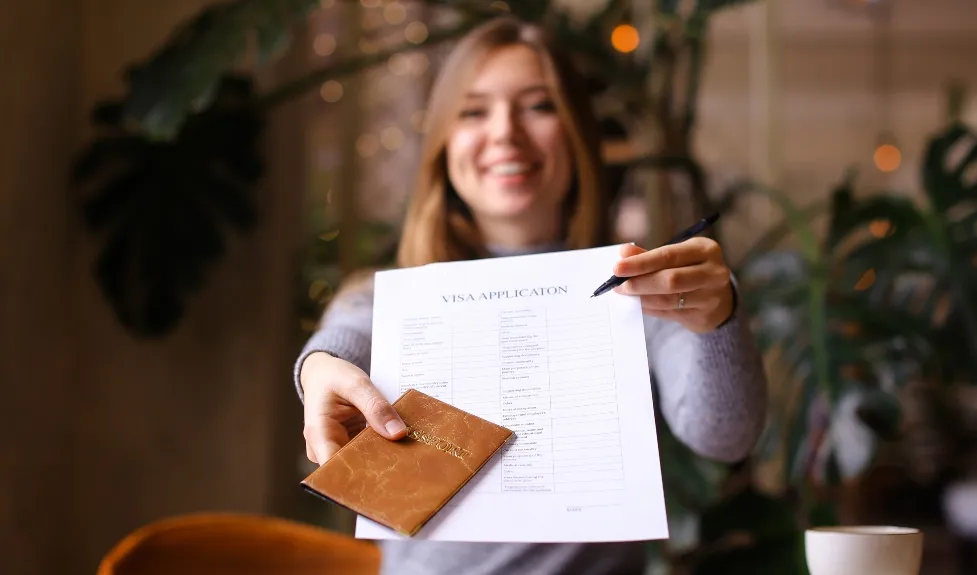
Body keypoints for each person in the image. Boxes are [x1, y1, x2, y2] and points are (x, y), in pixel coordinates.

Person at [294, 15, 767, 575]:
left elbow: (725, 436)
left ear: (577, 133)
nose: (504, 133)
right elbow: (342, 339)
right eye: (473, 112)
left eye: (538, 106)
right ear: (443, 144)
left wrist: (718, 317)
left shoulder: (641, 287)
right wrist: (317, 369)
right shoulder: (388, 297)